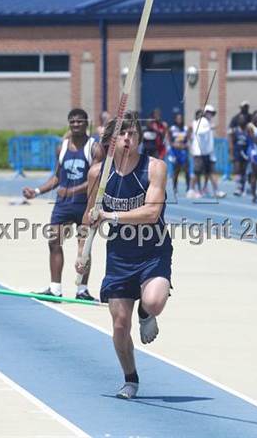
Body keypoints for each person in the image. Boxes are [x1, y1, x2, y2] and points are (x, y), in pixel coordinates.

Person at [76, 111, 173, 399]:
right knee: (119, 325)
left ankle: (146, 311)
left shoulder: (154, 168)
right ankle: (130, 379)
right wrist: (83, 253)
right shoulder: (98, 174)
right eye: (123, 133)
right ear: (111, 140)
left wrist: (110, 215)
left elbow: (152, 213)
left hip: (153, 249)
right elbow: (89, 216)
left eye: (134, 133)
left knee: (154, 302)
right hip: (119, 256)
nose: (129, 138)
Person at [23, 108, 103, 300]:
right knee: (54, 241)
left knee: (84, 248)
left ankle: (82, 290)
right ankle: (55, 288)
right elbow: (58, 177)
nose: (76, 125)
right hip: (63, 205)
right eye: (72, 122)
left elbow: (97, 179)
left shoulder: (94, 148)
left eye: (79, 121)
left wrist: (73, 190)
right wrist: (36, 191)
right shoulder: (62, 147)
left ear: (86, 123)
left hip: (85, 205)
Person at [194, 105, 226, 198]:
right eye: (209, 113)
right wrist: (210, 128)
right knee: (198, 173)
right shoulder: (202, 121)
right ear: (205, 112)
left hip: (207, 153)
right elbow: (199, 132)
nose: (211, 115)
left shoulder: (207, 122)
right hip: (200, 152)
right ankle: (193, 189)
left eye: (212, 113)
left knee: (210, 172)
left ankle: (211, 190)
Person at [167, 112, 190, 196]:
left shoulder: (185, 128)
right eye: (178, 118)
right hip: (175, 152)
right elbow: (169, 140)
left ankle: (188, 188)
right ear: (175, 119)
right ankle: (175, 188)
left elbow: (188, 139)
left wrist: (186, 145)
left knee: (187, 170)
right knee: (176, 171)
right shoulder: (172, 129)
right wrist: (174, 145)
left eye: (181, 118)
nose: (179, 120)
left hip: (183, 152)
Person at [228, 113, 249, 196]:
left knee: (244, 171)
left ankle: (243, 188)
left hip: (246, 152)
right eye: (240, 119)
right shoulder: (235, 130)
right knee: (237, 170)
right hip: (237, 152)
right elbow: (231, 143)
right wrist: (231, 154)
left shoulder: (248, 130)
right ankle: (238, 187)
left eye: (243, 119)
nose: (242, 121)